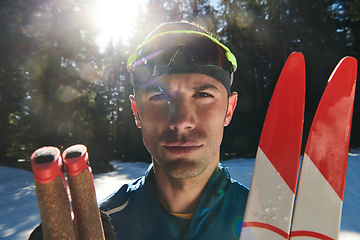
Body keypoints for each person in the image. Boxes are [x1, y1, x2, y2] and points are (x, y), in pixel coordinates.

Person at [29, 21, 248, 240]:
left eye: (203, 95)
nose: (182, 121)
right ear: (136, 112)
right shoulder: (99, 228)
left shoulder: (269, 224)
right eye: (160, 97)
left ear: (229, 109)